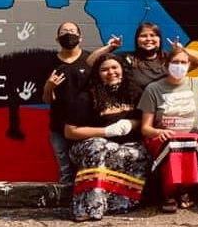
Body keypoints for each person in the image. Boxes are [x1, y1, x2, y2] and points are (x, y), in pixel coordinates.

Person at [138, 47, 198, 213]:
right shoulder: (153, 89)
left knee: (189, 140)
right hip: (161, 139)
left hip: (190, 139)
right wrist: (158, 132)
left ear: (189, 65)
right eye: (175, 62)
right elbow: (145, 128)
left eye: (183, 62)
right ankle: (168, 193)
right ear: (166, 65)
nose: (179, 66)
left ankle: (183, 189)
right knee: (173, 144)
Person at [64, 54, 149, 222]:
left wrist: (132, 124)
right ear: (97, 73)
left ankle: (120, 204)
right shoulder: (86, 97)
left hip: (123, 145)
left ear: (122, 70)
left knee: (140, 152)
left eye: (114, 68)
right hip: (87, 147)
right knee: (99, 146)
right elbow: (70, 132)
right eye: (104, 69)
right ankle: (88, 207)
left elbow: (146, 121)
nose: (111, 72)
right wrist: (106, 131)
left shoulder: (135, 92)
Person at [87, 22, 198, 90]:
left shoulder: (170, 58)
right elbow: (91, 61)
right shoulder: (127, 58)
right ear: (137, 39)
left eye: (153, 35)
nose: (148, 39)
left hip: (165, 113)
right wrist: (110, 47)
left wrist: (183, 50)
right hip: (136, 114)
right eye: (144, 36)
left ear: (159, 39)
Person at [43, 21, 91, 184]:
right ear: (57, 39)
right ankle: (65, 208)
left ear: (80, 37)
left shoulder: (90, 61)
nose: (68, 34)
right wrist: (49, 87)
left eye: (72, 31)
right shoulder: (49, 62)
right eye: (64, 32)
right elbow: (47, 99)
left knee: (87, 171)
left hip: (86, 127)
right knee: (66, 172)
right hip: (59, 127)